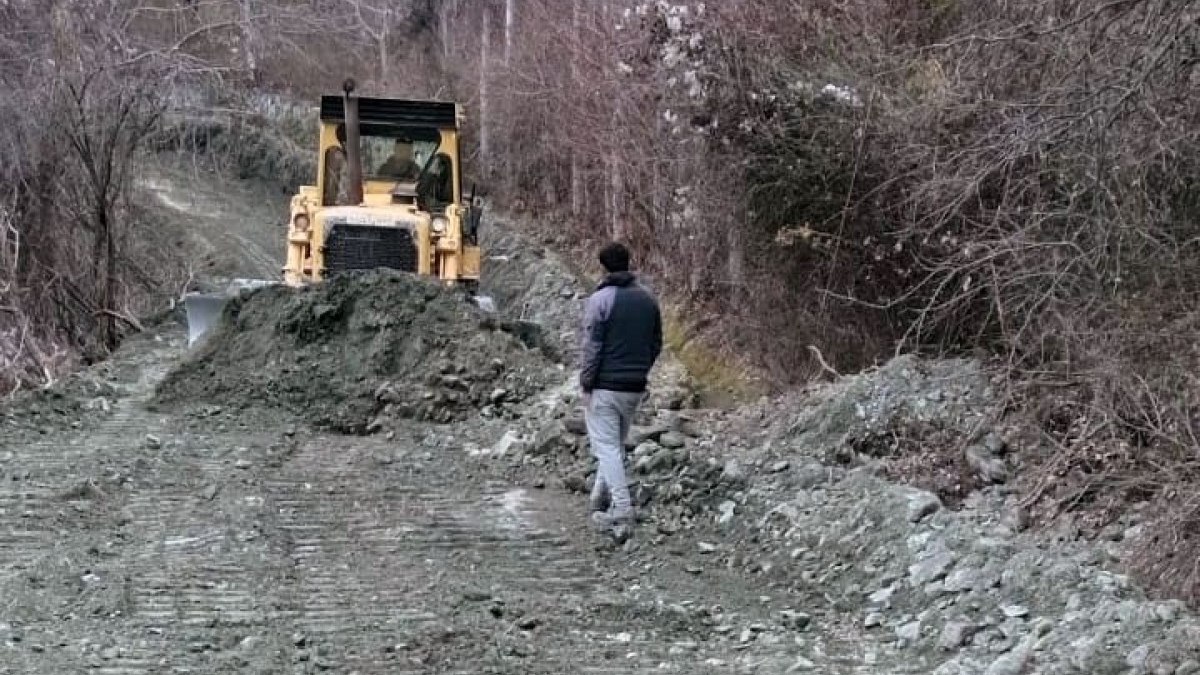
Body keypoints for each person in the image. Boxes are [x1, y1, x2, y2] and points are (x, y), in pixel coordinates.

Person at [579, 242, 662, 542]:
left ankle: (622, 509)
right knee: (614, 443)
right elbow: (656, 343)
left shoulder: (601, 300)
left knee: (608, 448)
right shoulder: (648, 299)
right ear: (629, 263)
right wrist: (641, 370)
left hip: (606, 386)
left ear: (603, 267)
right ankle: (598, 499)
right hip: (635, 387)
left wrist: (586, 384)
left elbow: (592, 348)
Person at [322, 124, 353, 206]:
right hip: (339, 206)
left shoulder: (349, 159)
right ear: (344, 143)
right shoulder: (336, 157)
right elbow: (334, 187)